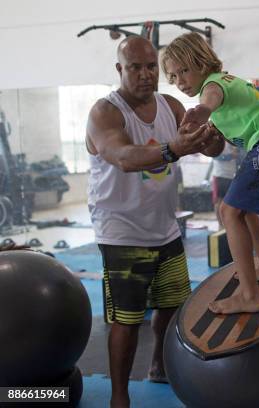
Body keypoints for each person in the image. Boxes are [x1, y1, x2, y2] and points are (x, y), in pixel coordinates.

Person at [85, 36, 222, 408]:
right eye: (135, 67)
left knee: (172, 306)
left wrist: (210, 138)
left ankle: (159, 366)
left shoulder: (171, 105)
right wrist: (174, 148)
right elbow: (123, 156)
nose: (146, 75)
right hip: (121, 231)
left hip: (165, 226)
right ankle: (118, 397)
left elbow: (213, 147)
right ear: (120, 69)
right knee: (127, 321)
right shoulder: (106, 112)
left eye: (151, 67)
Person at [161, 32, 259, 314]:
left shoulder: (212, 86)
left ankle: (250, 296)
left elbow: (211, 99)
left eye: (185, 71)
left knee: (228, 212)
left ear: (202, 63)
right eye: (173, 76)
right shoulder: (228, 81)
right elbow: (218, 142)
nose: (180, 81)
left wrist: (203, 110)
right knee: (244, 210)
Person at [211, 143, 243, 228]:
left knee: (229, 202)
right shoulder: (218, 141)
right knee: (219, 201)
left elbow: (239, 159)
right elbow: (214, 156)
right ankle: (220, 225)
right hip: (220, 175)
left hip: (231, 176)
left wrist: (237, 154)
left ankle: (227, 224)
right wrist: (230, 156)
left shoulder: (234, 142)